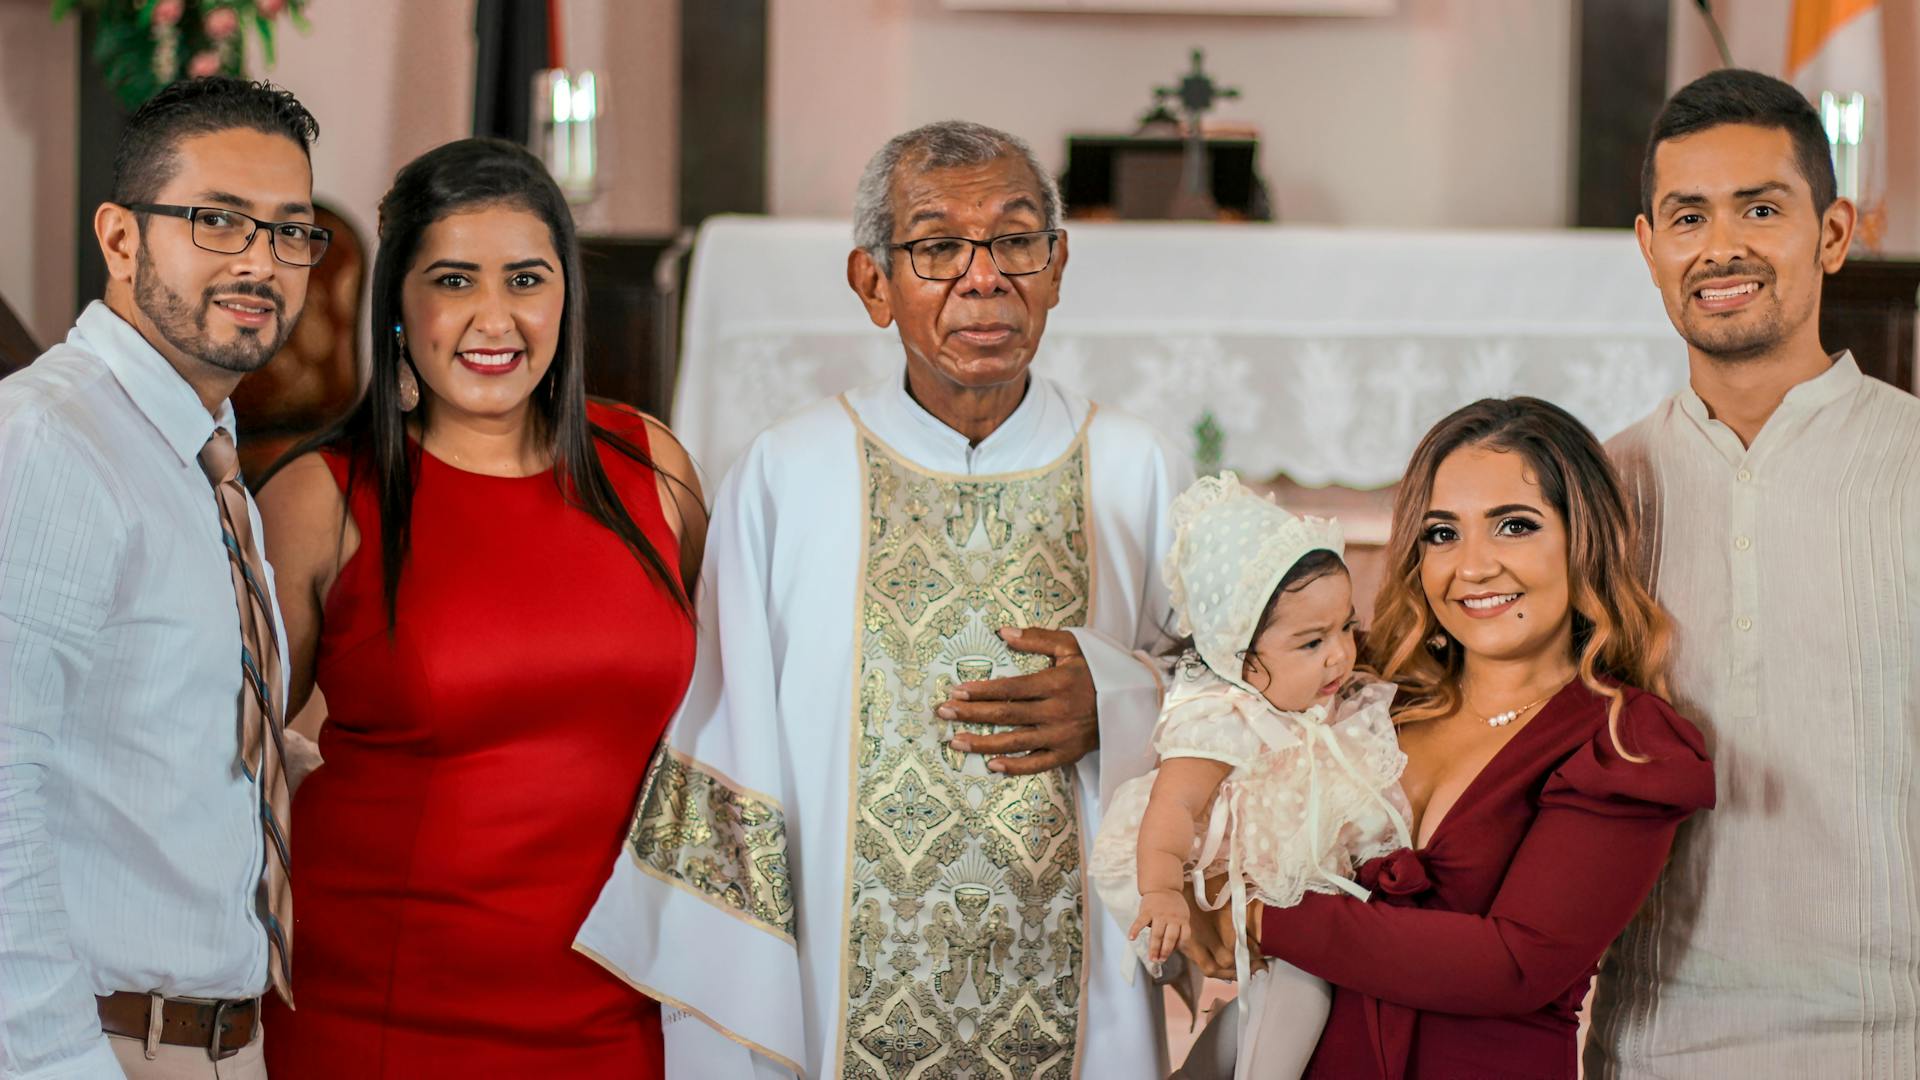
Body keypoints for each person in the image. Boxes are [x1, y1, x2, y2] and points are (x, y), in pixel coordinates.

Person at [576, 120, 1191, 1079]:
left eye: (1016, 241)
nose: (983, 278)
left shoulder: (1134, 466)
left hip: (1083, 995)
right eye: (939, 247)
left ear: (1058, 264)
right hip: (834, 987)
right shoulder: (786, 474)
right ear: (873, 282)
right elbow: (730, 739)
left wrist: (1118, 699)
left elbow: (1232, 699)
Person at [253, 137, 705, 1077]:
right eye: (453, 280)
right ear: (398, 305)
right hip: (381, 1013)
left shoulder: (648, 467)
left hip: (623, 1006)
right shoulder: (324, 497)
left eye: (527, 278)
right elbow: (218, 750)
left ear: (566, 296)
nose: (493, 317)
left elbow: (738, 716)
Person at [1195, 398, 1714, 1078]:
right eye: (1443, 534)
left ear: (1582, 539)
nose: (1472, 567)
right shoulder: (1366, 696)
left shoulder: (1623, 742)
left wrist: (1258, 917)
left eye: (1514, 526)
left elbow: (1513, 963)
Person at [1586, 68, 1920, 1077]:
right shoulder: (1602, 492)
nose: (1720, 247)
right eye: (1688, 217)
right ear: (1649, 249)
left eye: (1761, 210)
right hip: (1649, 1041)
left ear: (1832, 232)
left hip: (1887, 1038)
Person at [0, 77, 322, 1078]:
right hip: (98, 1044)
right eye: (217, 221)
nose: (260, 263)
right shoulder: (51, 441)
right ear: (121, 238)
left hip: (220, 1040)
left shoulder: (204, 449)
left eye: (290, 232)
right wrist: (62, 1064)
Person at [1090, 473, 1410, 1079]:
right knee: (1299, 992)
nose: (1340, 653)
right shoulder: (1223, 716)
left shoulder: (1330, 704)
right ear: (1238, 655)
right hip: (1247, 877)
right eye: (1312, 641)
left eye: (1346, 627)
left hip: (1303, 890)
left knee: (1279, 1000)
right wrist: (1161, 890)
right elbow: (1172, 808)